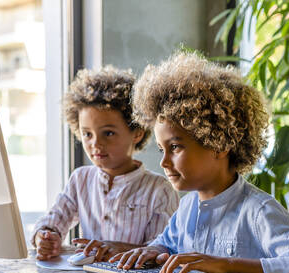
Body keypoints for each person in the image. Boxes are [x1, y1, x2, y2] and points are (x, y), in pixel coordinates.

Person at [110, 52, 289, 273]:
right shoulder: (187, 208)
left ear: (219, 144)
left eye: (175, 147)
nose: (164, 161)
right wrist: (155, 250)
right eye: (161, 149)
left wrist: (227, 265)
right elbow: (168, 243)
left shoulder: (258, 211)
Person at [32, 66, 179, 262]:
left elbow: (163, 252)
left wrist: (119, 249)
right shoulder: (80, 179)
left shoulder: (159, 190)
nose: (95, 144)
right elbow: (54, 219)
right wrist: (46, 236)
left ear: (137, 132)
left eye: (108, 133)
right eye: (87, 134)